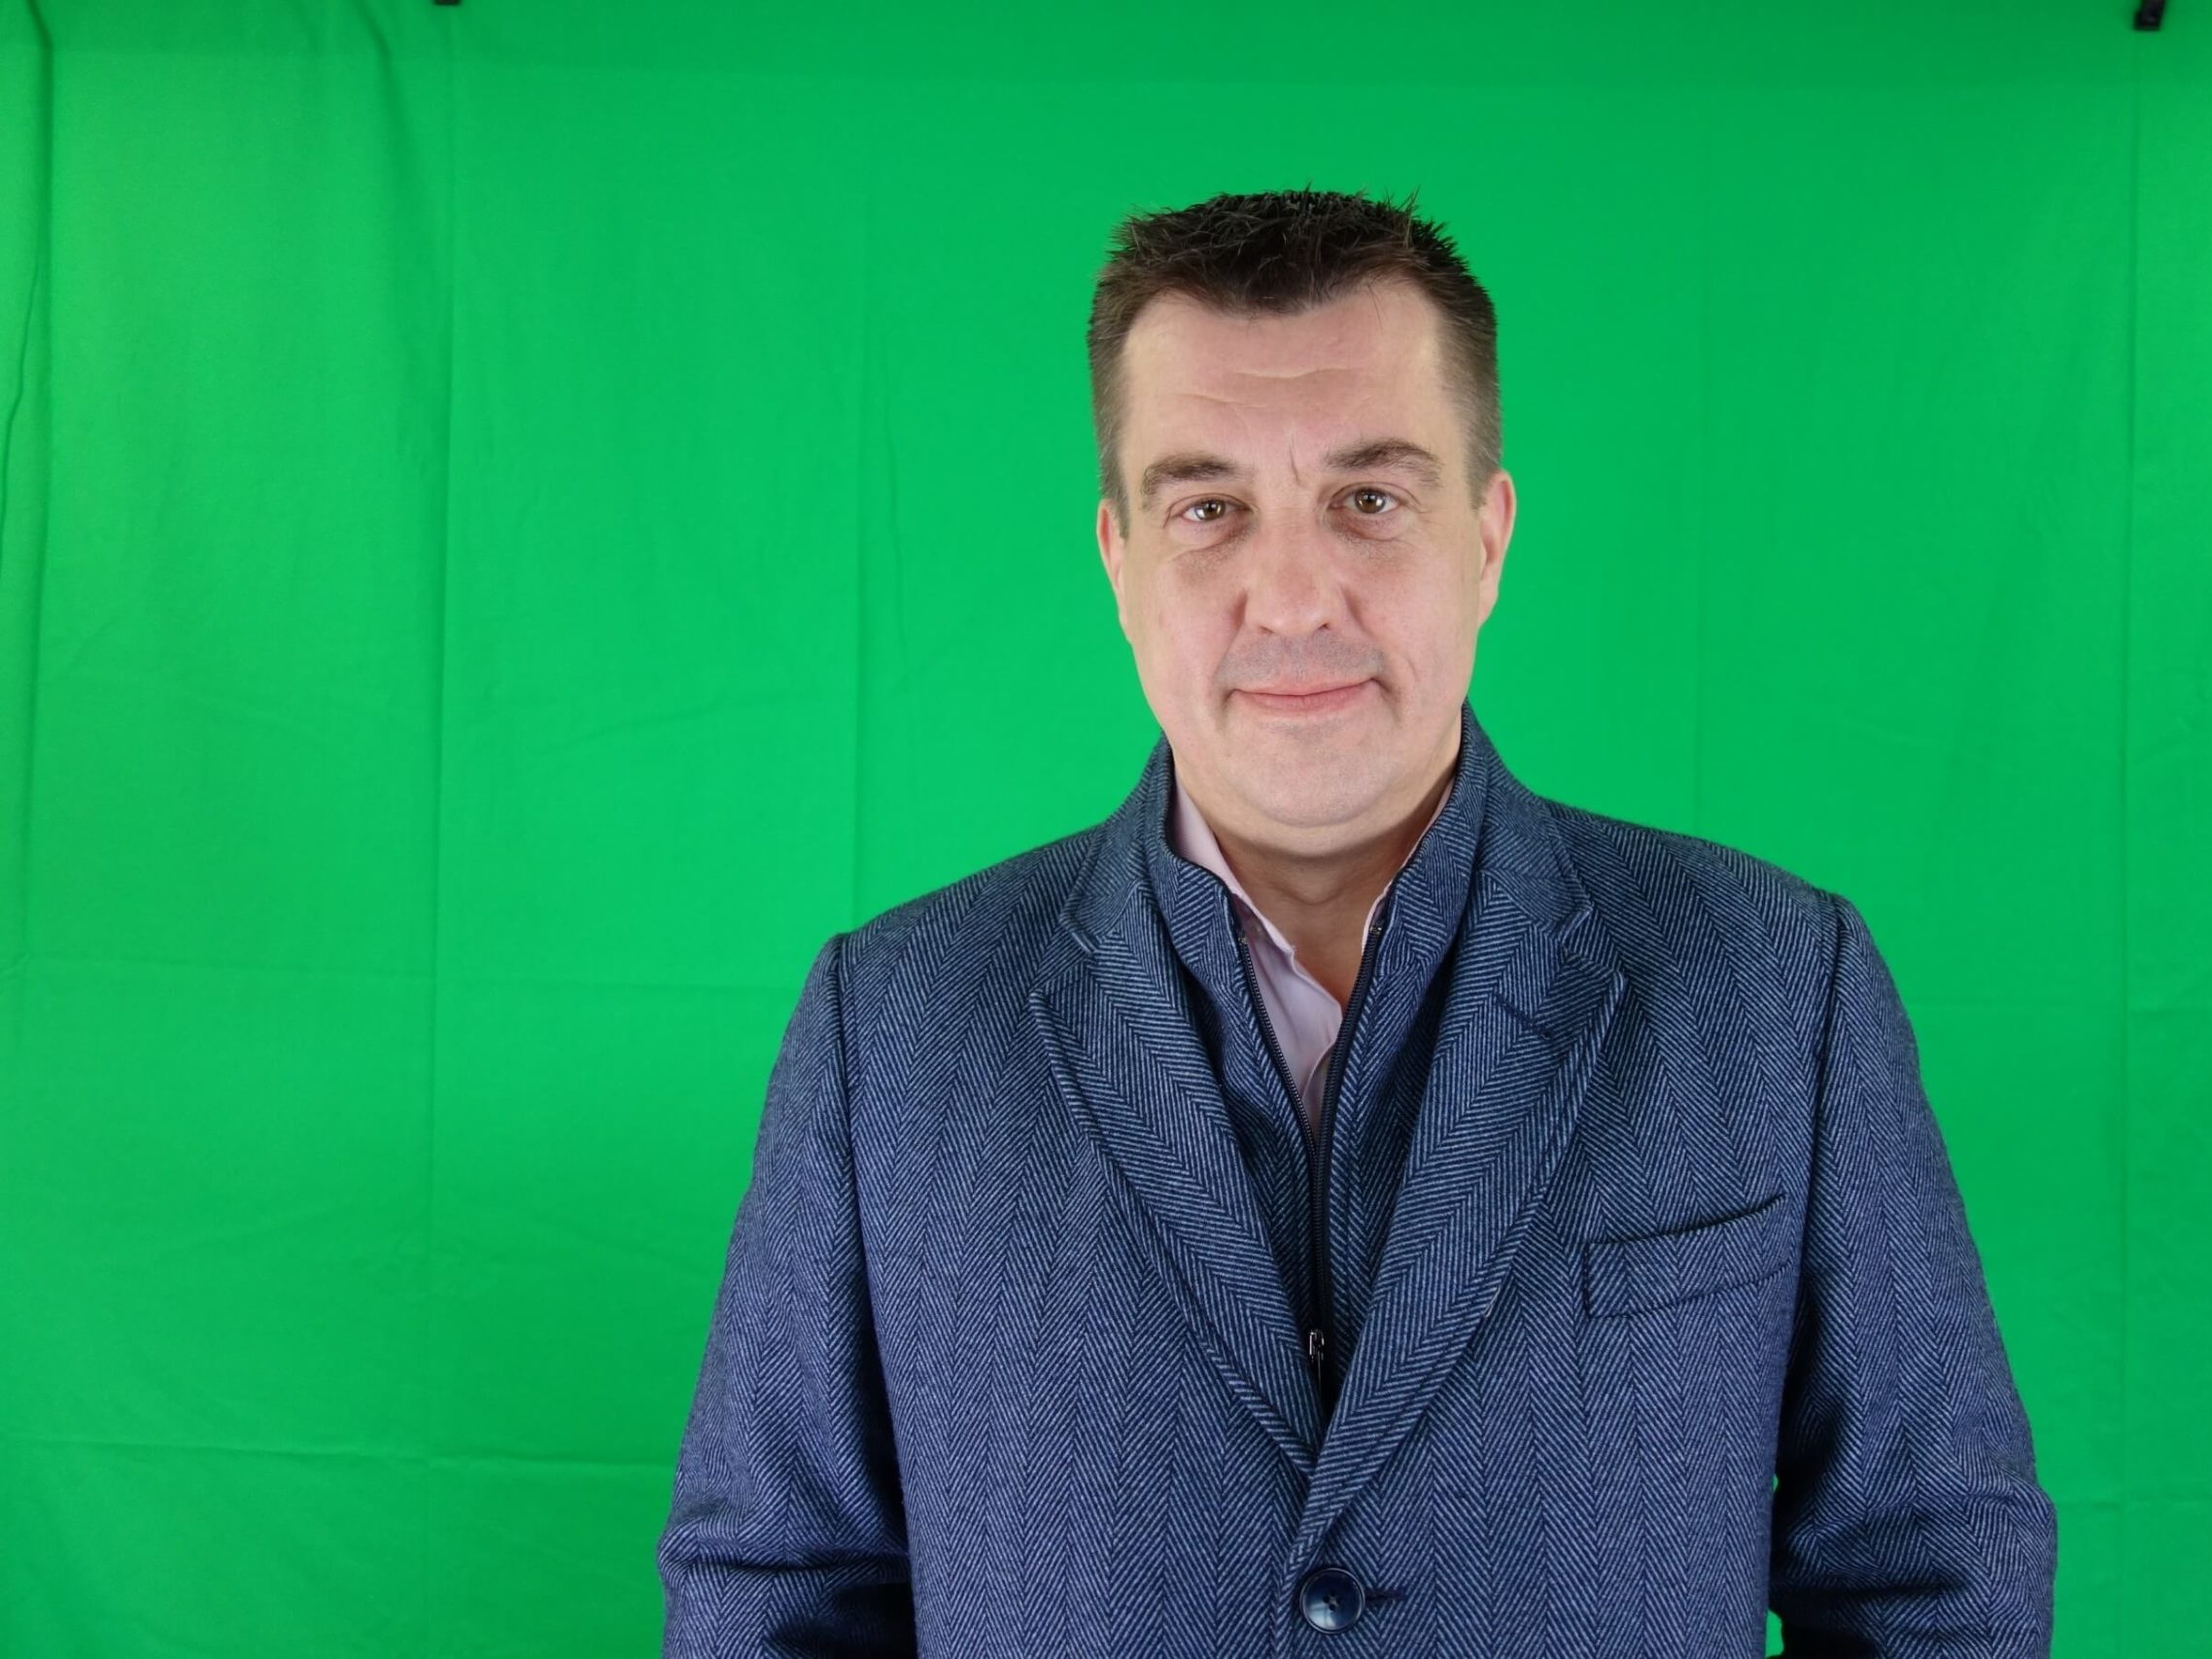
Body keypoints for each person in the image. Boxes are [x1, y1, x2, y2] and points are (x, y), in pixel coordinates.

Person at [655, 186, 2056, 1656]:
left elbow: (1933, 1576)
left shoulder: (1777, 987)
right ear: (1121, 562)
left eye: (1368, 499)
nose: (1291, 596)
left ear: (1488, 537)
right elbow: (775, 1592)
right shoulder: (887, 1025)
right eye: (1209, 509)